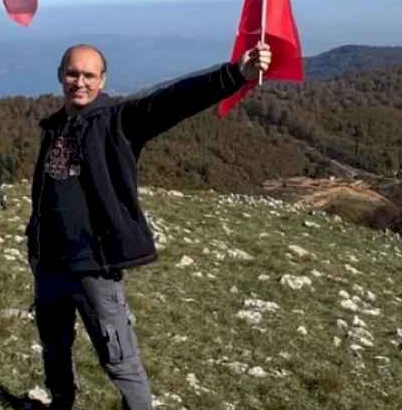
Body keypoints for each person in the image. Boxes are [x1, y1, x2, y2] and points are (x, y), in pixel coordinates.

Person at [26, 42, 271, 410]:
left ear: (102, 80)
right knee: (54, 347)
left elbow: (172, 101)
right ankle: (61, 403)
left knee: (119, 359)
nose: (80, 82)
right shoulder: (55, 126)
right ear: (61, 75)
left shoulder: (118, 121)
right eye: (73, 73)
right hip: (49, 266)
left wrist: (234, 75)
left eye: (89, 75)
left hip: (94, 267)